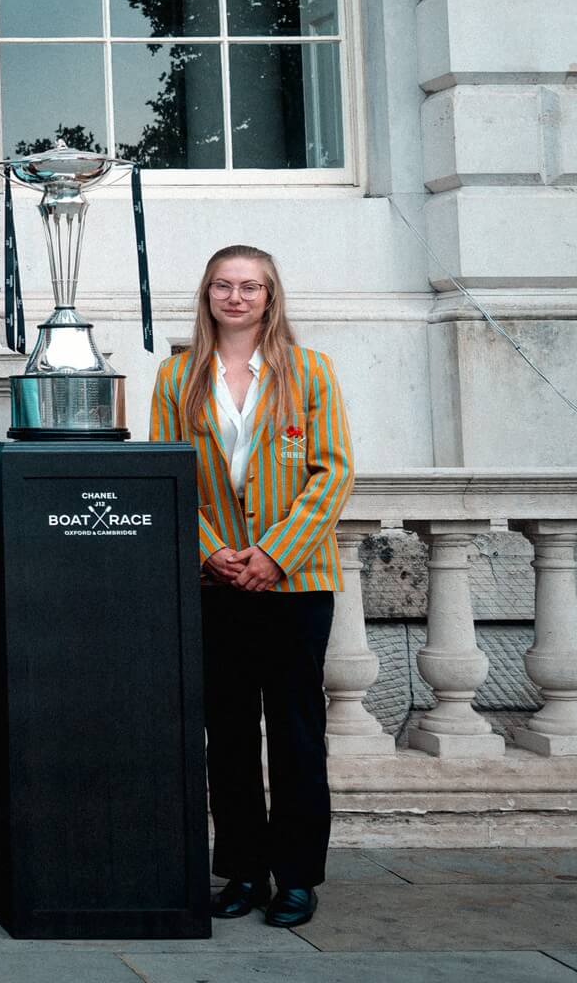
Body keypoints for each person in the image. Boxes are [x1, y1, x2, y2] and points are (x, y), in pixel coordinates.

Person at [151, 245, 355, 931]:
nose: (235, 297)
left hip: (297, 584)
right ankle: (242, 869)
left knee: (297, 731)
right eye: (222, 286)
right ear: (207, 295)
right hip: (216, 583)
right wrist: (217, 556)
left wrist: (274, 554)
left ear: (271, 297)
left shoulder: (310, 374)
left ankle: (297, 876)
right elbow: (168, 477)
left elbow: (332, 474)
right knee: (228, 731)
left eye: (250, 287)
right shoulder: (178, 377)